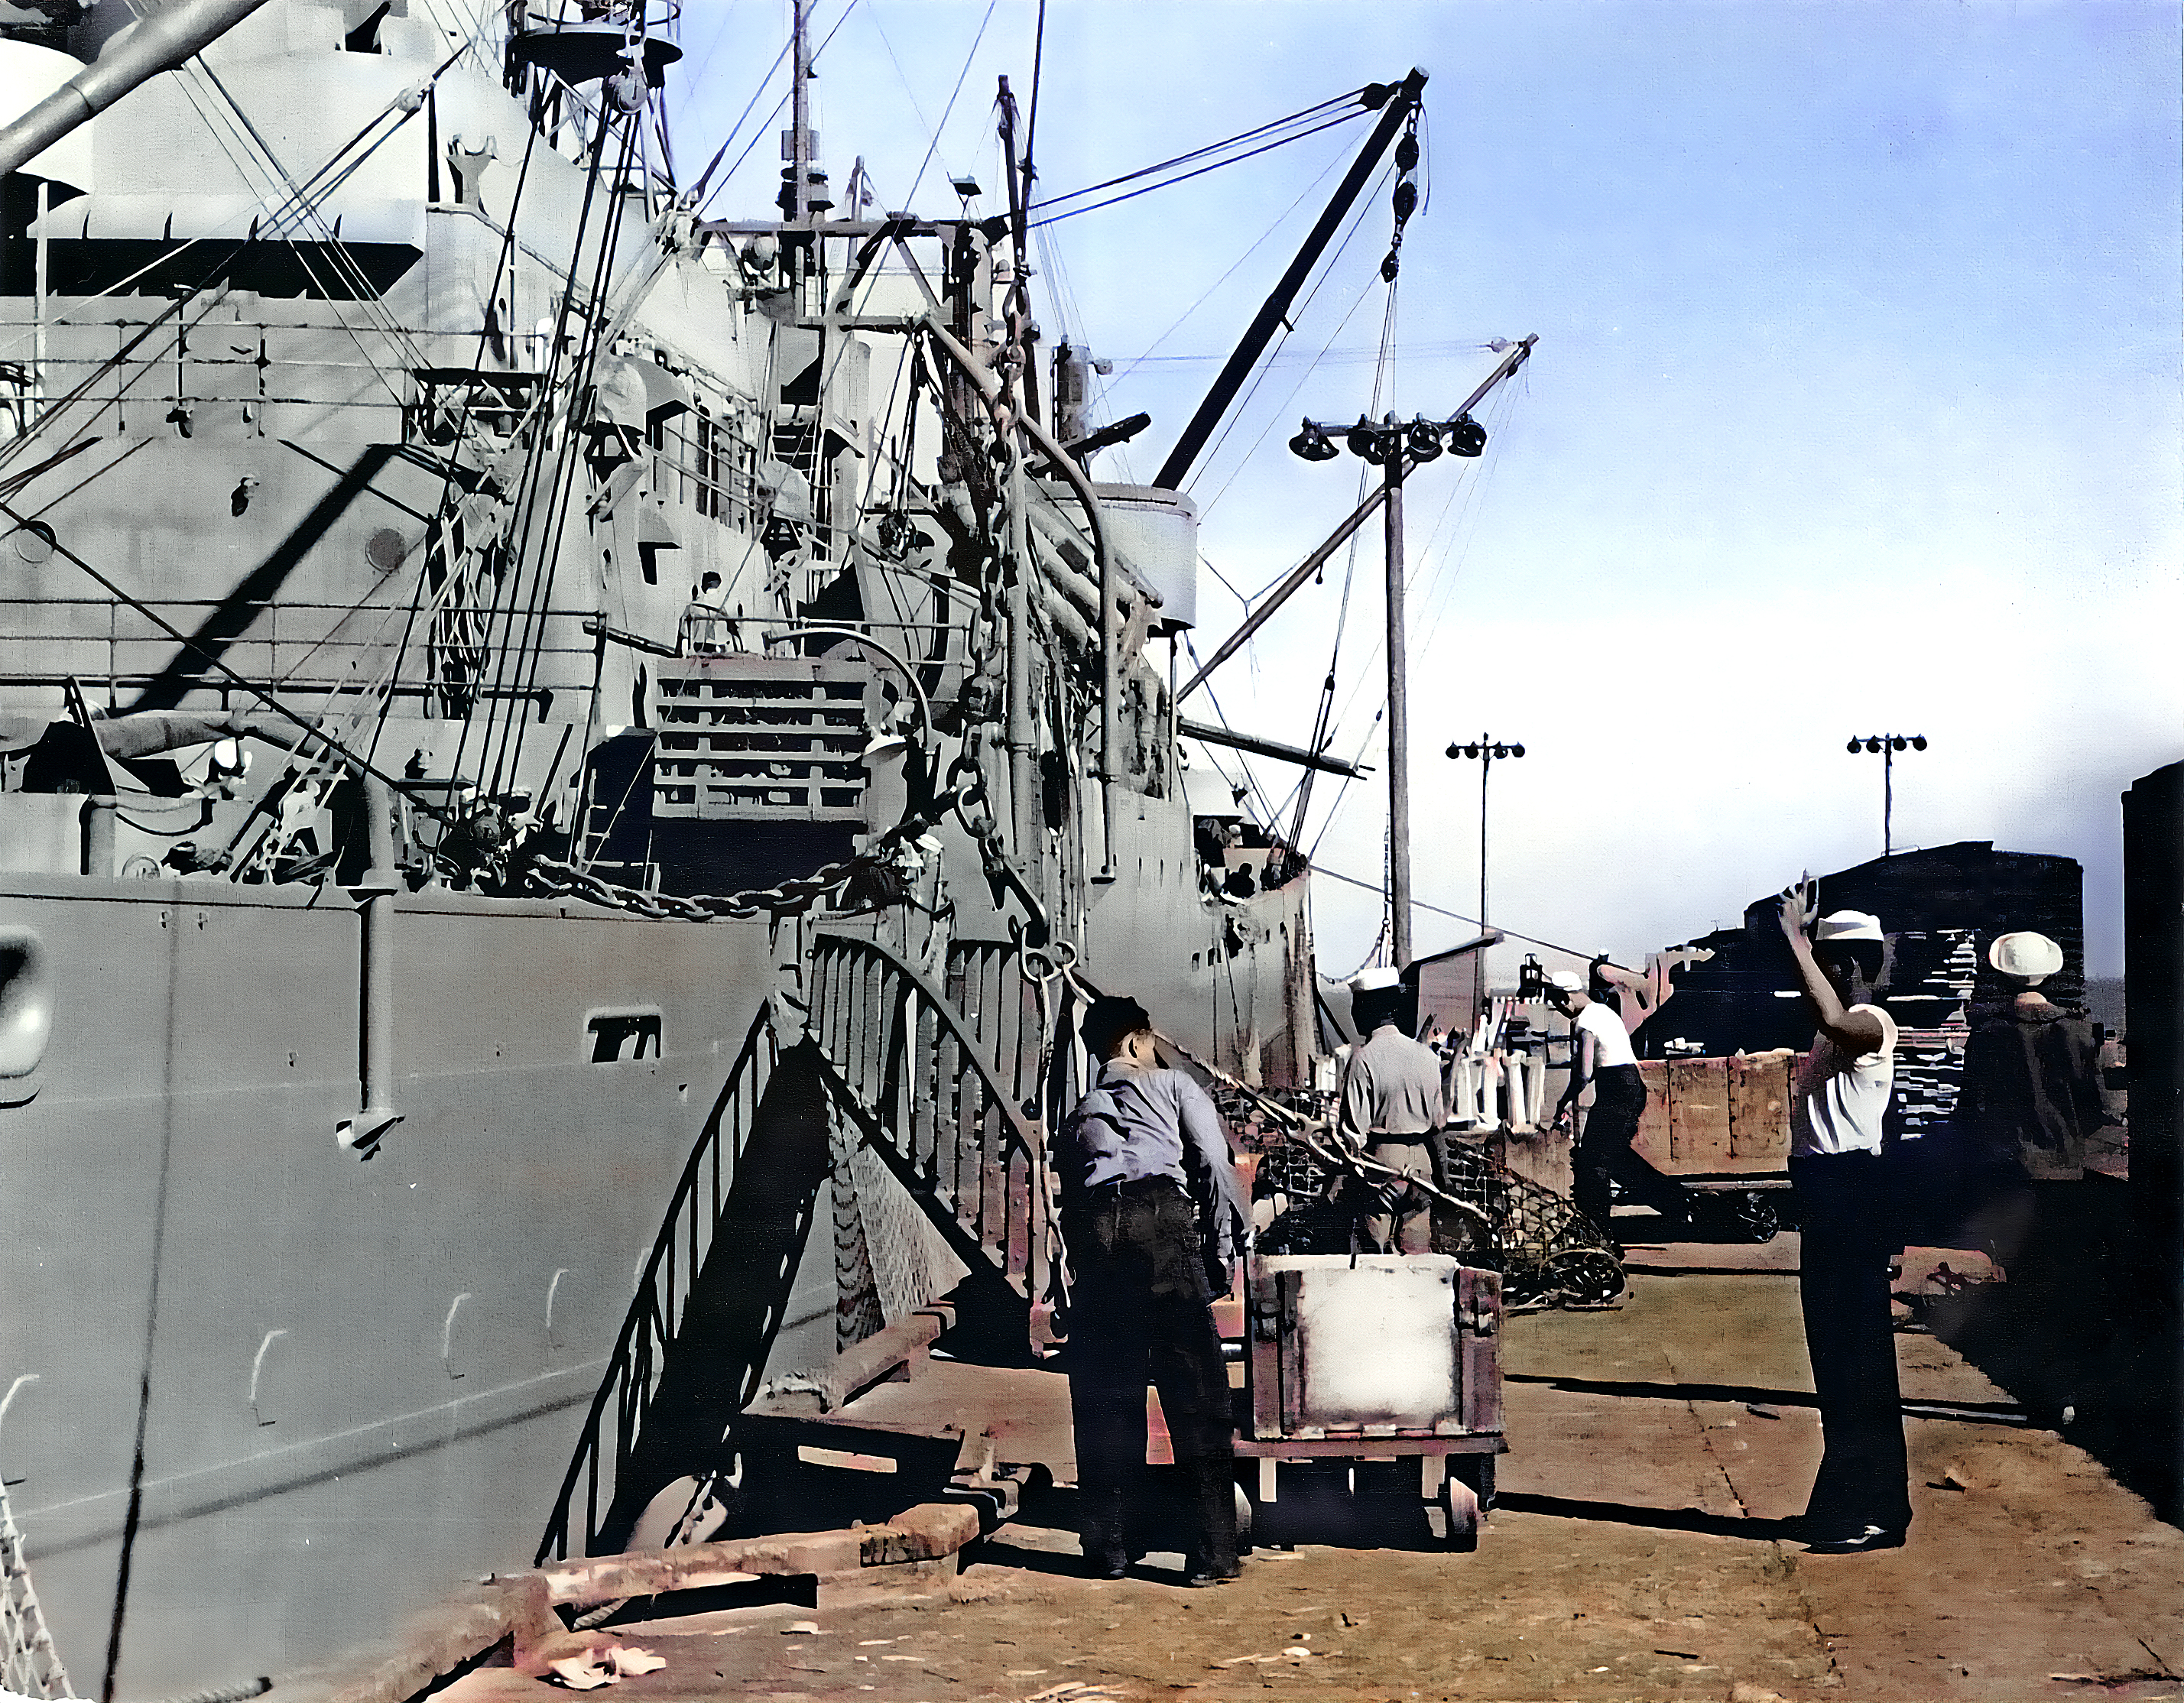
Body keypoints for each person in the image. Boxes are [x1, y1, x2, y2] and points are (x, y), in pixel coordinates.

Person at [1056, 994, 1248, 1586]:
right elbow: (1215, 1166)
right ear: (1140, 1041)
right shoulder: (1173, 1086)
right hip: (1163, 1226)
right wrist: (1222, 1245)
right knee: (1194, 1391)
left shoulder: (1084, 1109)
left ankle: (1109, 1549)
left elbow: (1066, 1201)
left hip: (1099, 1236)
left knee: (1105, 1396)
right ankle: (1212, 1554)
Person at [1779, 890, 1912, 1555]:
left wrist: (1794, 940)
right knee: (1836, 1358)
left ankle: (1878, 1511)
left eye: (1825, 961)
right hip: (1828, 1196)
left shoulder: (1869, 1023)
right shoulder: (1832, 1024)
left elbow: (1836, 1023)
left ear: (1848, 964)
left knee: (1857, 1359)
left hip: (1850, 1195)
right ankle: (1841, 1501)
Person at [1547, 968, 1696, 1240]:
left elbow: (1584, 1072)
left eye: (1558, 1003)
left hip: (1616, 1089)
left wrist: (1564, 1100)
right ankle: (1678, 1202)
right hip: (1629, 1085)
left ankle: (1595, 1229)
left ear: (1564, 998)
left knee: (1593, 1161)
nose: (1560, 1009)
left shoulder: (1585, 1023)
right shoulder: (1603, 1011)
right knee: (1616, 1158)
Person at [1337, 966, 1450, 1253]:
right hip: (1421, 1162)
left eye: (1356, 1006)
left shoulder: (1363, 1059)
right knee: (1416, 1254)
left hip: (1383, 1162)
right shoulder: (1426, 1056)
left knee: (1373, 1254)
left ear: (1365, 1009)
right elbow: (1438, 1124)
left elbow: (1353, 1134)